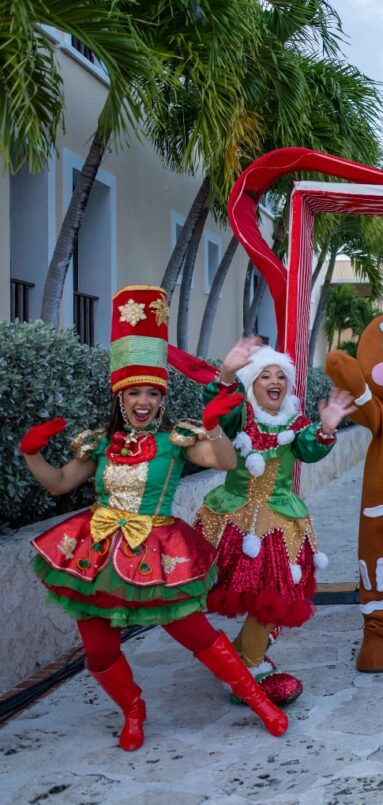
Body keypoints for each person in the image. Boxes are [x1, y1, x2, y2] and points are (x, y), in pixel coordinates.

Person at [19, 286, 288, 751]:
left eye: (151, 393)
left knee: (196, 634)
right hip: (97, 555)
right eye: (133, 393)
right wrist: (30, 454)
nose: (142, 402)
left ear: (161, 399)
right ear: (120, 398)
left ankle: (259, 701)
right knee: (99, 650)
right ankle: (133, 710)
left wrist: (214, 427)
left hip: (159, 555)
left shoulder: (176, 440)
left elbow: (224, 461)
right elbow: (60, 483)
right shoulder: (99, 444)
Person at [194, 340, 355, 704]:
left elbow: (310, 449)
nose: (274, 381)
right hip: (234, 520)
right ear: (252, 383)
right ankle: (248, 672)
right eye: (265, 375)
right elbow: (218, 410)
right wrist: (227, 373)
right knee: (261, 598)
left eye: (281, 376)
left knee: (274, 598)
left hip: (279, 524)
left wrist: (327, 427)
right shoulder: (241, 416)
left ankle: (239, 660)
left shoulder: (295, 423)